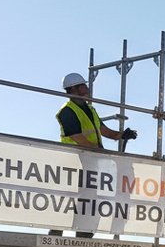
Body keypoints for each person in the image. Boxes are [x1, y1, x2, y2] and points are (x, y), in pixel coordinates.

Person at [51, 72, 138, 237]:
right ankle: (58, 231)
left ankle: (85, 233)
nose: (87, 88)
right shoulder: (67, 111)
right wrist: (102, 154)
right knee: (76, 196)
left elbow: (104, 131)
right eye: (83, 85)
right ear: (74, 89)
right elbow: (78, 138)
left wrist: (122, 135)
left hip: (91, 158)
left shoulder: (90, 109)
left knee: (92, 197)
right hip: (76, 159)